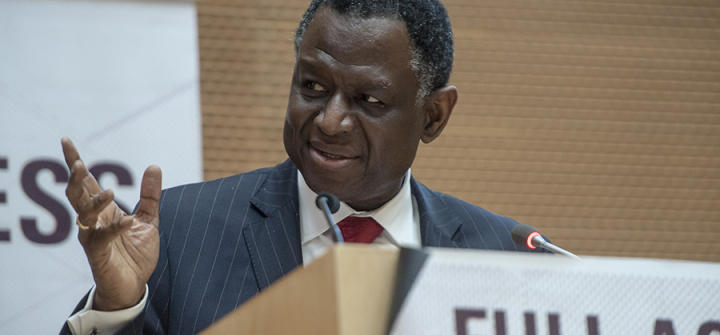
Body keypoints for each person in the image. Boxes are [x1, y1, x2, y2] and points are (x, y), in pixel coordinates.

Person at [60, 0, 539, 334]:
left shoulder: (506, 261)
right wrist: (117, 310)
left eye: (367, 100)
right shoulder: (180, 234)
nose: (329, 122)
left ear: (433, 116)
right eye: (312, 87)